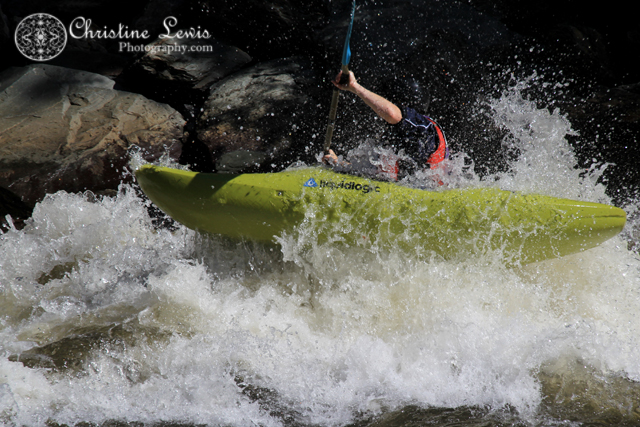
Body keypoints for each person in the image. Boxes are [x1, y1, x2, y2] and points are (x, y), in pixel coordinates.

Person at [323, 70, 448, 182]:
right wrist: (338, 163)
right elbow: (373, 173)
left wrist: (354, 86)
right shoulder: (400, 135)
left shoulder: (423, 127)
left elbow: (392, 113)